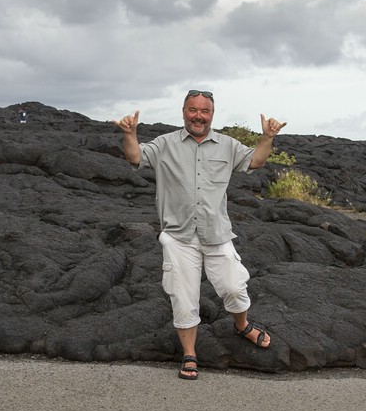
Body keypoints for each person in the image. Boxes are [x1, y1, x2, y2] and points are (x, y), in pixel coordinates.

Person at [112, 90, 287, 380]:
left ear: (212, 115)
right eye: (193, 110)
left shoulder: (227, 145)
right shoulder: (165, 143)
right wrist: (130, 133)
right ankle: (189, 354)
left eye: (204, 111)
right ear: (184, 112)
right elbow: (135, 157)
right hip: (178, 236)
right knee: (183, 297)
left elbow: (255, 161)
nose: (198, 116)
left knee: (234, 287)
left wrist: (267, 137)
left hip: (217, 233)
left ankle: (241, 325)